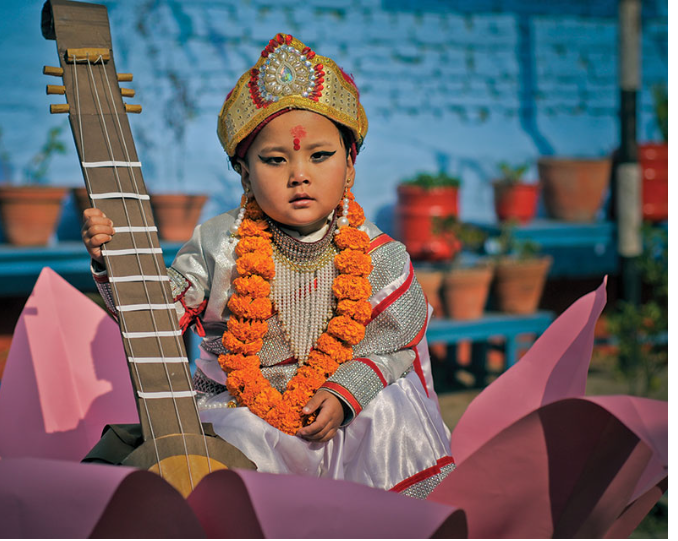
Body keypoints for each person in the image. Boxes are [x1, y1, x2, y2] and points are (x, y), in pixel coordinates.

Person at [81, 33, 453, 497]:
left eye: (320, 156)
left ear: (351, 165)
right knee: (235, 441)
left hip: (342, 411)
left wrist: (345, 393)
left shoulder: (380, 254)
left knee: (392, 410)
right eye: (275, 160)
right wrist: (113, 260)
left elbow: (395, 345)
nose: (299, 174)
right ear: (244, 173)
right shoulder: (220, 244)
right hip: (241, 408)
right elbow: (158, 313)